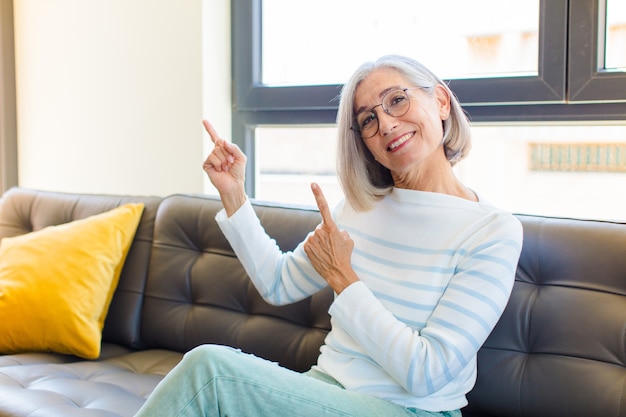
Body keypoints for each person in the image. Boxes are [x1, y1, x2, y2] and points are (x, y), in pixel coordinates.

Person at [135, 55, 523, 417]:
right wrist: (234, 193)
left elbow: (426, 373)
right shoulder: (359, 208)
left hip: (410, 408)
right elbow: (277, 283)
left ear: (440, 101)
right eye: (368, 119)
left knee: (212, 373)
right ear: (365, 144)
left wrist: (344, 279)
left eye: (397, 100)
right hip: (323, 392)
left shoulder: (491, 231)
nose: (386, 123)